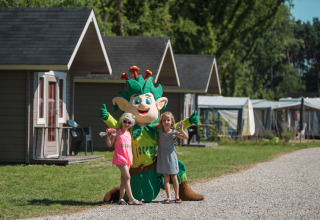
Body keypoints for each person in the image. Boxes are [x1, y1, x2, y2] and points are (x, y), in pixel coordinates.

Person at [106, 113, 142, 205]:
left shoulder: (129, 133)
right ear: (122, 121)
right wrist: (108, 136)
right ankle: (131, 199)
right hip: (120, 157)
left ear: (131, 124)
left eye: (129, 122)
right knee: (127, 177)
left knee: (123, 178)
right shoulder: (117, 132)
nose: (126, 124)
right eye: (125, 121)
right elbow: (110, 144)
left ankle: (121, 199)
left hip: (128, 158)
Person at [156, 111, 189, 204]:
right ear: (161, 122)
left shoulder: (174, 132)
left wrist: (181, 130)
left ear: (171, 122)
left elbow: (185, 137)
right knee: (165, 177)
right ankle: (168, 197)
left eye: (168, 120)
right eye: (164, 120)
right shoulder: (159, 130)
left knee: (174, 176)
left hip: (171, 157)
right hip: (162, 156)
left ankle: (177, 196)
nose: (166, 122)